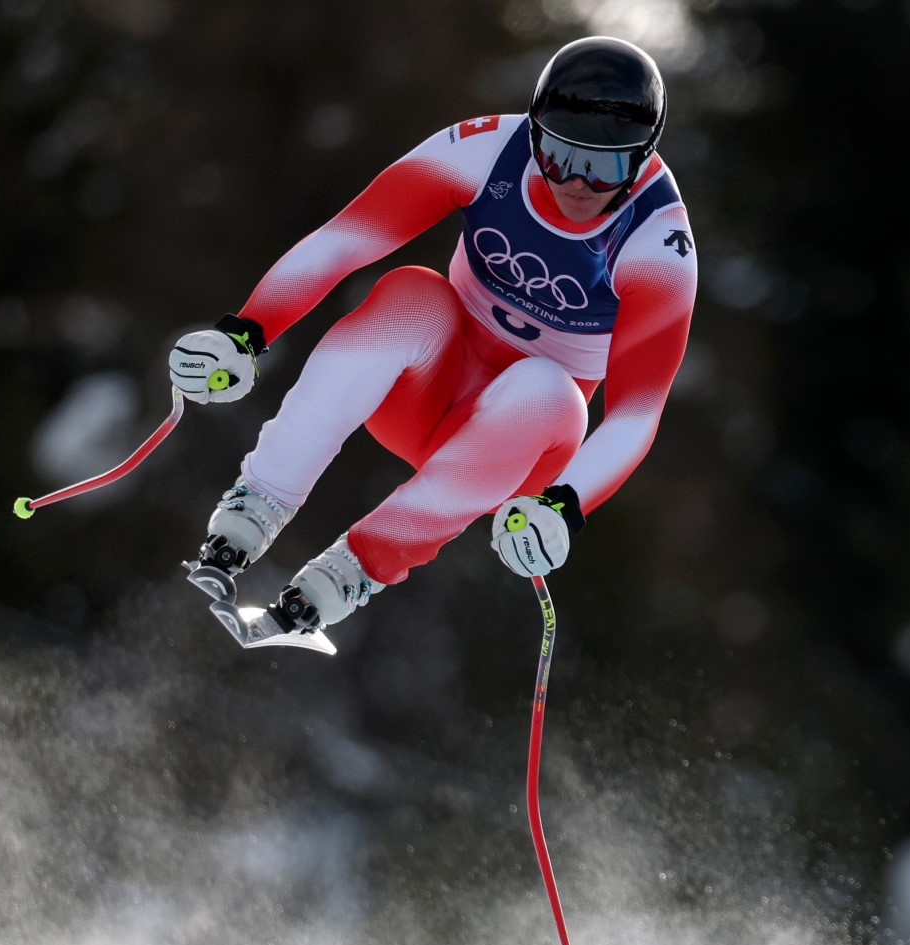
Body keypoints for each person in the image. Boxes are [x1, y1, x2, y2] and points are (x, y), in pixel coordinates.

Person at [169, 35, 697, 645]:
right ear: (533, 134)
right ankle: (253, 508)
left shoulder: (657, 244)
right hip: (424, 392)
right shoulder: (486, 150)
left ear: (643, 157)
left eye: (605, 166)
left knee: (548, 388)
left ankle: (348, 574)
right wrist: (246, 330)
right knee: (411, 292)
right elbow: (350, 235)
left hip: (516, 448)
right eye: (558, 156)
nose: (576, 183)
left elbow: (636, 413)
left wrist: (565, 506)